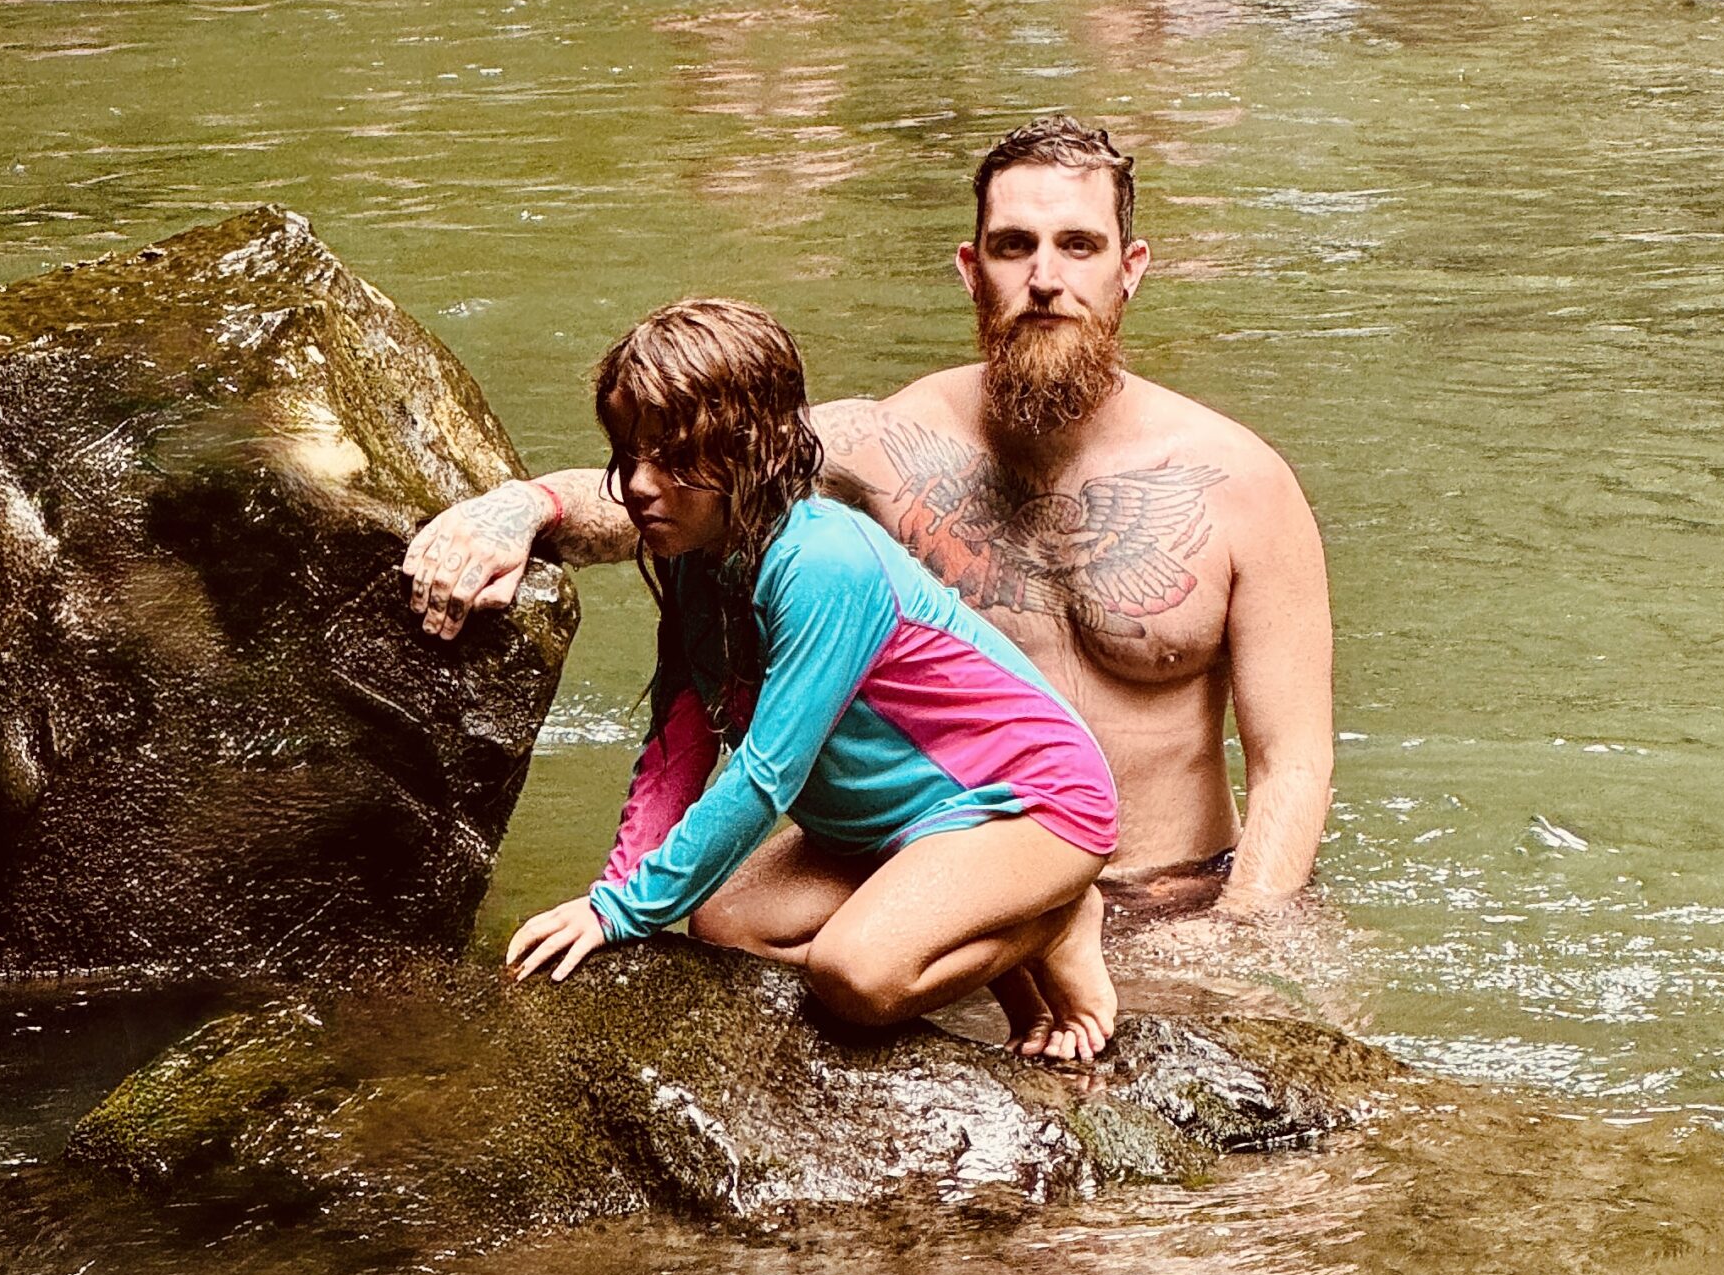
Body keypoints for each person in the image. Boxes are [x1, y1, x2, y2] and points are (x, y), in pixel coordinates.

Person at [408, 116, 1333, 934]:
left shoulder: (1239, 483)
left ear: (1130, 270)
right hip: (931, 857)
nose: (1045, 278)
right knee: (722, 921)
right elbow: (688, 482)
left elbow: (1290, 762)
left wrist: (1239, 935)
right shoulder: (887, 442)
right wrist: (524, 506)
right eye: (1014, 246)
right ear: (972, 271)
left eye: (1078, 245)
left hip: (1170, 891)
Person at [498, 295, 1122, 1063]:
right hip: (888, 831)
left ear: (750, 451)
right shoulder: (694, 561)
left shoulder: (823, 562)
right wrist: (610, 903)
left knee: (854, 977)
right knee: (725, 926)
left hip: (1028, 802)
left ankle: (1055, 916)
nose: (637, 484)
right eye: (628, 454)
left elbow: (767, 774)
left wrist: (624, 912)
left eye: (672, 457)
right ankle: (993, 926)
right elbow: (675, 753)